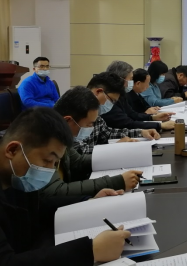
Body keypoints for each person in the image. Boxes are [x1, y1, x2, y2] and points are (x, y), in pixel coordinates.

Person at [0, 107, 130, 264]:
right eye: (47, 160)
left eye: (55, 163)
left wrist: (87, 201)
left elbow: (39, 207)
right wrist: (90, 251)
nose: (50, 170)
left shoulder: (16, 177)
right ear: (12, 150)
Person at [46, 87, 143, 196]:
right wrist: (117, 182)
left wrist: (121, 156)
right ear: (68, 120)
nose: (92, 128)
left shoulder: (61, 135)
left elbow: (78, 162)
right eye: (89, 124)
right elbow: (55, 191)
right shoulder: (44, 140)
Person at [73, 73, 161, 155]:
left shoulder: (97, 115)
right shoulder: (75, 110)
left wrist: (141, 132)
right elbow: (78, 152)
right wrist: (113, 147)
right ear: (98, 92)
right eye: (112, 100)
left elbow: (108, 133)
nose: (111, 105)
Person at [103, 62, 174, 131]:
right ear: (120, 79)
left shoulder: (121, 95)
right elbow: (127, 123)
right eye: (131, 79)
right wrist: (159, 125)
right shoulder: (108, 99)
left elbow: (133, 115)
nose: (132, 82)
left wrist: (153, 117)